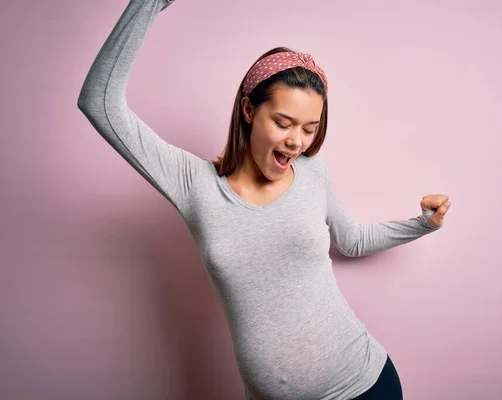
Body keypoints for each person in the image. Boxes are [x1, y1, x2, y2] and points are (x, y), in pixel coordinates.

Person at [76, 0, 452, 399]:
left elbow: (352, 240)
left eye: (310, 128)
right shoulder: (193, 184)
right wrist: (148, 4)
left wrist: (422, 223)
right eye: (283, 123)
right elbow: (99, 102)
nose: (297, 141)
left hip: (364, 383)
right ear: (248, 110)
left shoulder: (312, 172)